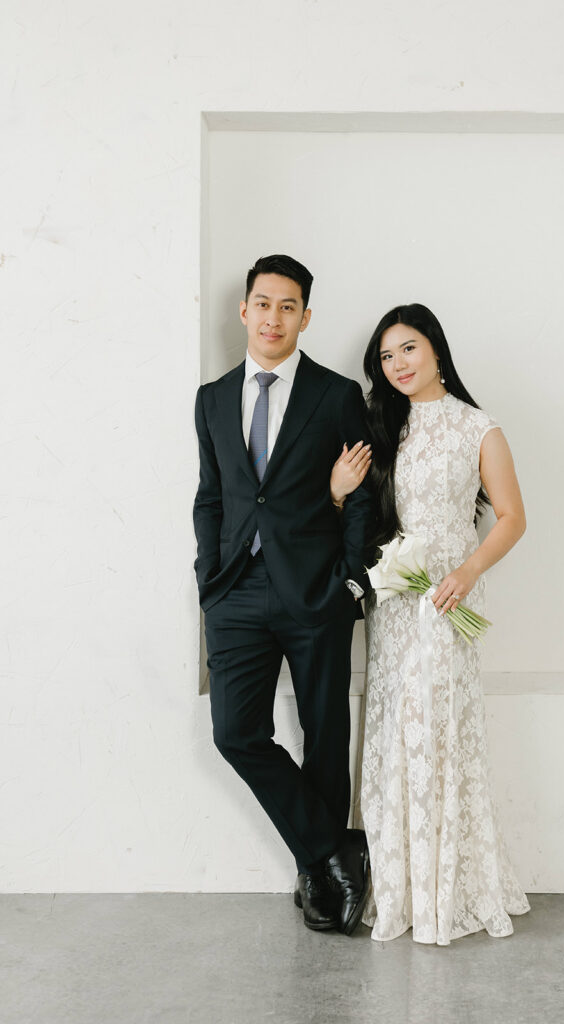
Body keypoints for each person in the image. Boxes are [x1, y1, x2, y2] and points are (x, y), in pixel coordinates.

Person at [331, 303, 531, 945]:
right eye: (386, 357)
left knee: (438, 730)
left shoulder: (479, 428)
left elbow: (510, 517)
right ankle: (400, 890)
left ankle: (451, 889)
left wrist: (467, 573)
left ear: (436, 350)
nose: (398, 365)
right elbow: (357, 511)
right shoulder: (381, 428)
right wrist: (337, 492)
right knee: (396, 731)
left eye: (408, 349)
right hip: (393, 604)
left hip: (447, 602)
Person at [192, 254, 374, 934]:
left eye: (287, 305)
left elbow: (362, 497)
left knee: (324, 734)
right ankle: (332, 850)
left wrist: (351, 581)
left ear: (304, 316)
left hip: (315, 590)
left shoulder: (334, 395)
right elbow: (211, 496)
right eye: (262, 303)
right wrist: (209, 576)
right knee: (236, 731)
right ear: (244, 310)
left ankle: (318, 882)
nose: (273, 317)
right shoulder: (211, 399)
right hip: (235, 590)